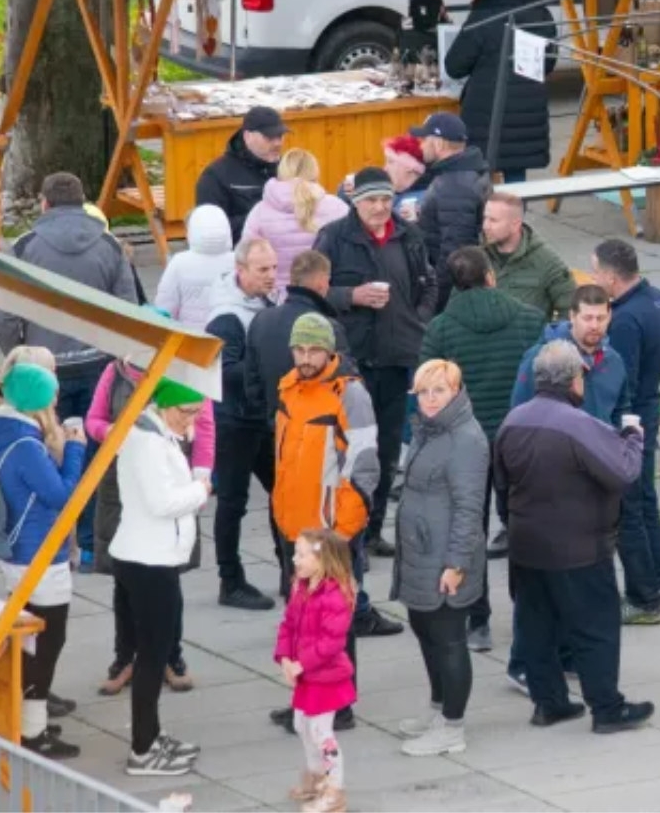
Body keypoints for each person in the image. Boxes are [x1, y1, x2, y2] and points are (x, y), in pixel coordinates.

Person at [495, 340, 652, 733]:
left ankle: (548, 703)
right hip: (579, 548)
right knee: (595, 627)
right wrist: (633, 437)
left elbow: (500, 485)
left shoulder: (513, 421)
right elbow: (622, 472)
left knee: (537, 627)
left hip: (527, 545)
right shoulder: (578, 425)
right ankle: (606, 708)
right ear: (574, 379)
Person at [0, 173, 140, 567]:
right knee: (94, 455)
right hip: (98, 365)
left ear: (44, 203)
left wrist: (19, 356)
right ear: (83, 202)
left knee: (45, 456)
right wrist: (116, 354)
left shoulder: (25, 246)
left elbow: (6, 311)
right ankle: (93, 542)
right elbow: (128, 308)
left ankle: (56, 544)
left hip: (46, 367)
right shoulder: (109, 245)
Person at [269, 312, 387, 734]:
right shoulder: (289, 387)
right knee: (301, 619)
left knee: (333, 625)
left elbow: (363, 468)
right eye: (299, 349)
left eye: (313, 349)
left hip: (328, 533)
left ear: (330, 351)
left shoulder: (349, 395)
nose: (305, 357)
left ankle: (339, 706)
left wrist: (342, 531)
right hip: (294, 529)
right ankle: (307, 699)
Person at [418, 246, 545, 632]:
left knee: (470, 530)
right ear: (491, 276)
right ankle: (530, 613)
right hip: (519, 440)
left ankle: (478, 620)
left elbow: (427, 394)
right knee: (524, 526)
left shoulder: (441, 329)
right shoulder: (530, 320)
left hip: (464, 445)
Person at [314, 167, 438, 560]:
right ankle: (346, 529)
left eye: (386, 199)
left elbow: (429, 282)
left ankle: (373, 528)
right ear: (356, 202)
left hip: (399, 357)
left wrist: (419, 317)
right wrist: (353, 296)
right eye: (372, 200)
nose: (381, 207)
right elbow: (314, 292)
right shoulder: (334, 238)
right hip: (356, 360)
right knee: (350, 449)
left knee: (386, 449)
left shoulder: (409, 236)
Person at [89, 342, 215, 696]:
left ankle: (170, 656)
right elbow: (94, 420)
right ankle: (125, 657)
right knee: (124, 579)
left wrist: (201, 476)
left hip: (173, 479)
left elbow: (204, 427)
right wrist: (115, 434)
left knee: (168, 581)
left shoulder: (182, 377)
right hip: (123, 483)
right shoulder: (115, 373)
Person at [0, 361, 85, 758]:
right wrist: (75, 448)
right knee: (48, 641)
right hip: (39, 555)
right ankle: (32, 730)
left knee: (30, 641)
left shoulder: (4, 432)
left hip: (20, 552)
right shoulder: (26, 445)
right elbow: (61, 496)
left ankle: (28, 720)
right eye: (53, 395)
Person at [111, 378, 211, 777]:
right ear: (165, 406)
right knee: (152, 656)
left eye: (197, 414)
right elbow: (162, 502)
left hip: (149, 556)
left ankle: (151, 735)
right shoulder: (149, 444)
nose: (191, 421)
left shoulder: (156, 434)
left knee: (154, 650)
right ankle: (142, 750)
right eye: (186, 412)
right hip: (148, 561)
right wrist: (200, 490)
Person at [392, 359, 488, 757]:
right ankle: (438, 709)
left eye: (439, 391)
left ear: (456, 391)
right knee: (424, 628)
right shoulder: (429, 429)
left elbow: (469, 509)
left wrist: (455, 565)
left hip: (445, 556)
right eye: (424, 392)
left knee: (448, 639)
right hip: (420, 551)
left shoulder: (465, 439)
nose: (430, 400)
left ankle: (452, 727)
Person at [592, 238, 660, 624]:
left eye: (595, 271)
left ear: (611, 277)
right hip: (650, 411)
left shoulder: (624, 320)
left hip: (630, 421)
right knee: (645, 501)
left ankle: (644, 598)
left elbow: (620, 379)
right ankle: (657, 583)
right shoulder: (658, 299)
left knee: (628, 510)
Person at [206, 238, 283, 611]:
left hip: (263, 417)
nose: (271, 276)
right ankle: (230, 581)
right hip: (234, 420)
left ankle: (290, 568)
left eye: (273, 268)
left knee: (283, 492)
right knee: (232, 502)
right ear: (241, 271)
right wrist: (267, 369)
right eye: (262, 270)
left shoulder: (267, 301)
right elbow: (224, 371)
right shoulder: (226, 316)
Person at [444, 0, 558, 182]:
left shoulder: (483, 14)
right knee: (517, 181)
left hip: (486, 111)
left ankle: (488, 217)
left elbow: (454, 66)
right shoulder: (539, 12)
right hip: (527, 109)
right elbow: (548, 63)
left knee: (480, 180)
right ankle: (514, 217)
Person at [276, 528, 357, 813]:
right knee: (302, 725)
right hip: (309, 676)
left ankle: (334, 788)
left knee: (321, 731)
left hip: (326, 677)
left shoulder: (334, 596)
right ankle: (316, 776)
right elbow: (288, 625)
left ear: (322, 560)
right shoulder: (301, 586)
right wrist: (285, 656)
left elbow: (331, 643)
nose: (295, 559)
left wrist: (301, 663)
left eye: (301, 554)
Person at [245, 250, 352, 428]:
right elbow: (344, 383)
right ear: (322, 282)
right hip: (316, 431)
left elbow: (252, 384)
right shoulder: (328, 328)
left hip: (274, 428)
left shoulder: (262, 320)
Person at [511, 285, 629, 428]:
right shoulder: (540, 358)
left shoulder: (614, 362)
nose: (594, 325)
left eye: (601, 318)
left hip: (601, 448)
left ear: (609, 316)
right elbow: (519, 411)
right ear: (572, 316)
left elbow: (621, 412)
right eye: (587, 318)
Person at [241, 149, 350, 292]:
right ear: (314, 172)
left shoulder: (259, 212)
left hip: (275, 299)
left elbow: (246, 257)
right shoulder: (337, 208)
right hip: (324, 296)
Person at [412, 113, 491, 300]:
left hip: (448, 290)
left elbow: (455, 251)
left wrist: (435, 297)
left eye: (424, 139)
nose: (420, 145)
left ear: (438, 144)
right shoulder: (463, 170)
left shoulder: (454, 185)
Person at [195, 105, 287, 244]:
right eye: (269, 137)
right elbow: (211, 229)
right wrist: (265, 221)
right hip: (240, 256)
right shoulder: (216, 176)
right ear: (247, 136)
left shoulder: (288, 169)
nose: (277, 143)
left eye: (280, 136)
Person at [482, 193, 576, 320]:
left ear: (515, 224)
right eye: (485, 218)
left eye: (493, 220)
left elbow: (572, 308)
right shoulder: (478, 257)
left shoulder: (546, 262)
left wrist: (550, 336)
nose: (485, 226)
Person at [154, 204, 235, 329]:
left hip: (191, 337)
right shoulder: (237, 262)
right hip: (229, 334)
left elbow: (165, 306)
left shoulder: (179, 262)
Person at [382, 134, 429, 221]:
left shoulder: (426, 201)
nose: (385, 169)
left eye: (390, 162)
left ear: (409, 167)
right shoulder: (390, 195)